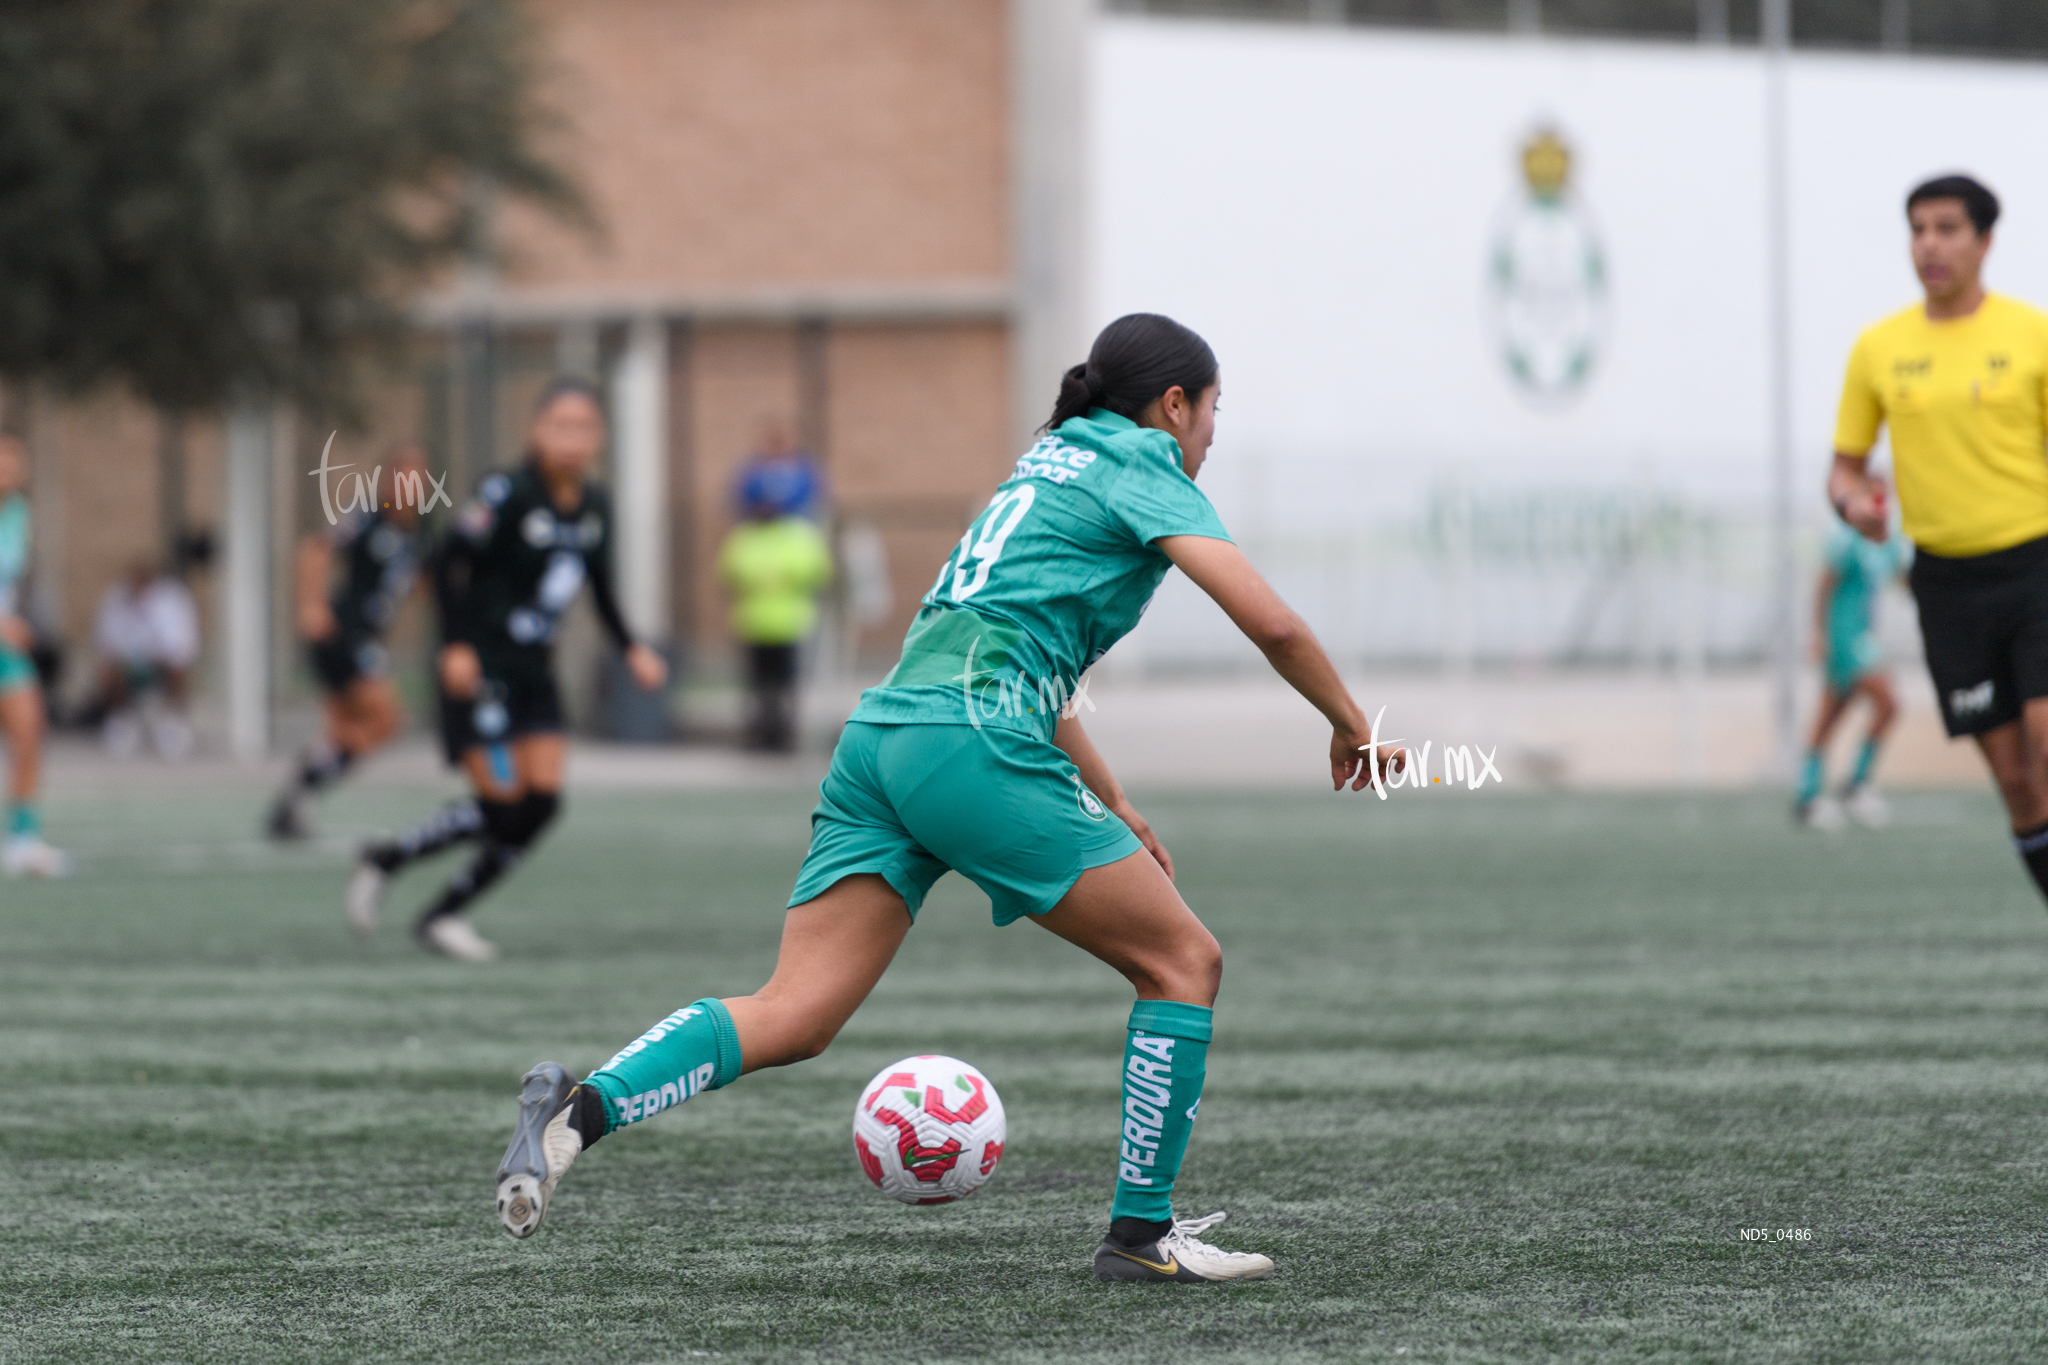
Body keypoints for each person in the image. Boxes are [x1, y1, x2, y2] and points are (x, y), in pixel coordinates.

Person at [490, 314, 1398, 1282]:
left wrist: (1115, 802)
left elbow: (1023, 663)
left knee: (792, 1012)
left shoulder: (1045, 461)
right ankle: (1140, 1238)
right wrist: (1351, 724)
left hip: (880, 741)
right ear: (1172, 405)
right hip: (970, 744)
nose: (1212, 432)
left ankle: (578, 1109)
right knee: (1182, 961)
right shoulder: (1142, 461)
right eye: (1212, 409)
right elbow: (1272, 621)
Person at [347, 381, 667, 961]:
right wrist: (456, 644)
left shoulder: (595, 505)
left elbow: (601, 588)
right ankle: (385, 859)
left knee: (541, 805)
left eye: (585, 427)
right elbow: (447, 563)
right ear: (536, 431)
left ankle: (441, 913)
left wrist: (632, 647)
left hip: (534, 675)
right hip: (481, 669)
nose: (572, 438)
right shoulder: (507, 491)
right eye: (560, 425)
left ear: (599, 437)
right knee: (501, 806)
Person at [1828, 173, 2048, 903]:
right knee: (2018, 783)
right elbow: (1844, 470)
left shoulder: (2030, 334)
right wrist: (1854, 504)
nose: (1929, 244)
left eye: (1947, 228)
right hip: (1947, 584)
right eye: (1918, 228)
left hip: (2037, 566)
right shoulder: (1879, 347)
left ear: (1985, 241)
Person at [266, 444, 431, 840]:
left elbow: (418, 581)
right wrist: (311, 606)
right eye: (404, 476)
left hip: (367, 637)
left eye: (420, 477)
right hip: (344, 635)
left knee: (348, 730)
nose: (411, 486)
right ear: (389, 480)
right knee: (385, 718)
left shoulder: (418, 533)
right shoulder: (367, 517)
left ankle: (302, 789)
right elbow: (314, 550)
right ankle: (306, 783)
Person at [1795, 479, 1912, 831]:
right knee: (1888, 702)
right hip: (1844, 638)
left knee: (1833, 712)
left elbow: (1902, 580)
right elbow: (1823, 586)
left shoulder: (1888, 541)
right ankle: (1853, 786)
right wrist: (1818, 635)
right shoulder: (1846, 539)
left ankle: (1809, 793)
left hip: (1864, 637)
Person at [717, 480, 833, 751]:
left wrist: (778, 576)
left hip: (789, 623)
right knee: (758, 685)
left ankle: (784, 733)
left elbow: (817, 570)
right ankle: (759, 733)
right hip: (754, 622)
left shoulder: (799, 535)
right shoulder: (744, 536)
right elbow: (729, 571)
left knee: (786, 684)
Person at [0, 434, 67, 876]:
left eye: (13, 462)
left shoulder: (19, 514)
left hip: (8, 649)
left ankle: (22, 840)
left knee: (29, 731)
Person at [93, 560, 199, 760]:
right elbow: (106, 642)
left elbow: (180, 646)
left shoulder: (171, 600)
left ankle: (174, 721)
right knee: (109, 669)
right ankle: (121, 721)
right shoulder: (116, 599)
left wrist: (154, 652)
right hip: (130, 663)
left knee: (178, 668)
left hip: (162, 662)